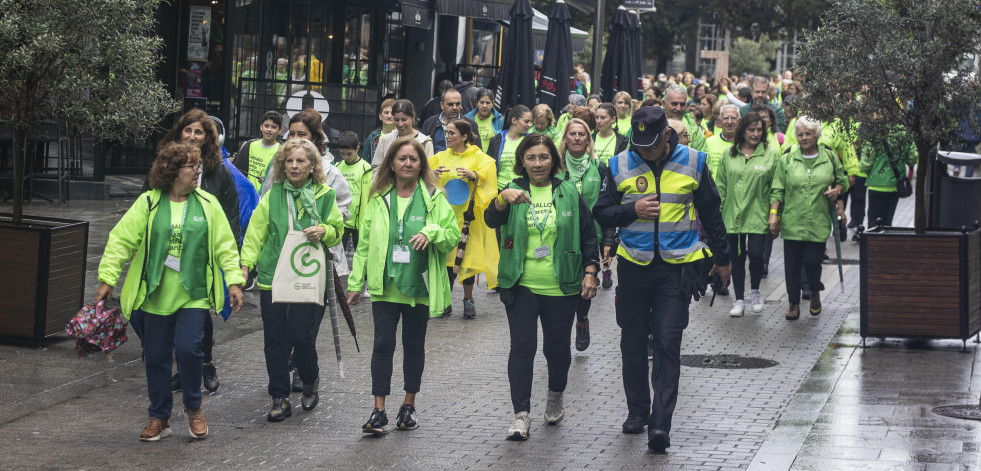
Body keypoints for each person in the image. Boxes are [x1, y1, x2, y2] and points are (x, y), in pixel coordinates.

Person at [593, 107, 730, 453]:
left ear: (667, 135)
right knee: (633, 342)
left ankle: (660, 425)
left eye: (651, 145)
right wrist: (631, 211)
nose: (645, 151)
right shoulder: (619, 163)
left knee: (668, 343)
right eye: (639, 145)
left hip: (676, 268)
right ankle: (637, 412)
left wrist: (724, 259)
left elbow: (711, 212)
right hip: (635, 267)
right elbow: (601, 211)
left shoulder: (695, 162)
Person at [96, 142, 245, 441]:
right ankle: (159, 417)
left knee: (190, 351)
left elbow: (225, 246)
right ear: (172, 171)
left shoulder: (207, 204)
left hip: (194, 294)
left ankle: (193, 407)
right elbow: (121, 241)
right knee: (156, 357)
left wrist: (233, 281)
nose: (198, 171)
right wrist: (107, 278)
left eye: (198, 165)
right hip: (153, 296)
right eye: (191, 166)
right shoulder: (149, 203)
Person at [485, 133, 600, 441]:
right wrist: (500, 199)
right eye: (531, 158)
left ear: (554, 159)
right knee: (522, 348)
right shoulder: (512, 191)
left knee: (557, 349)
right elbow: (488, 219)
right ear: (522, 161)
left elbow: (588, 234)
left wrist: (591, 271)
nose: (538, 164)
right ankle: (520, 415)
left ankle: (555, 395)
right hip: (520, 284)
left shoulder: (567, 192)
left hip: (561, 285)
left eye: (544, 157)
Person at [348, 137, 461, 434]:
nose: (408, 163)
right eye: (402, 158)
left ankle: (408, 406)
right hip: (385, 284)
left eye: (413, 159)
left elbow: (451, 236)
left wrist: (432, 230)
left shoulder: (435, 196)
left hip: (419, 285)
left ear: (421, 164)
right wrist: (355, 281)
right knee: (382, 344)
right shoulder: (378, 197)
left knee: (413, 346)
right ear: (392, 164)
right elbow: (364, 245)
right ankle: (379, 410)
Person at [240, 139, 345, 422]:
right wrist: (245, 265)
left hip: (308, 276)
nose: (294, 166)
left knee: (301, 335)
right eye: (289, 161)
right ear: (282, 166)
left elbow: (338, 230)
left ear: (312, 166)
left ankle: (310, 379)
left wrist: (324, 230)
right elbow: (255, 233)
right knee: (274, 339)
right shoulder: (272, 196)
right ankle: (279, 397)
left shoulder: (325, 195)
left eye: (300, 161)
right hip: (273, 276)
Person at [152, 109, 240, 394]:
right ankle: (182, 368)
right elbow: (144, 207)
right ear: (180, 132)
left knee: (199, 313)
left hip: (203, 255)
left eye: (198, 132)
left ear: (207, 138)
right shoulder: (163, 166)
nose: (192, 136)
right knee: (167, 312)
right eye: (188, 130)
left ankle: (205, 363)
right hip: (166, 254)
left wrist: (233, 266)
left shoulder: (218, 172)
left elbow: (230, 218)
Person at [771, 116, 848, 320]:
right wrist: (774, 215)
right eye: (800, 134)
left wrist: (837, 191)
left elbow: (843, 182)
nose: (804, 138)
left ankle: (815, 292)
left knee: (813, 262)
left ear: (817, 135)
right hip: (792, 221)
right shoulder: (787, 158)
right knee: (792, 266)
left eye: (808, 133)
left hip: (818, 220)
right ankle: (793, 304)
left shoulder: (829, 157)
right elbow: (777, 189)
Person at [430, 120, 500, 318]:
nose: (448, 136)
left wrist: (474, 175)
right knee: (446, 258)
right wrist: (432, 175)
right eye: (447, 132)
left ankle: (468, 299)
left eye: (452, 133)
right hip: (445, 216)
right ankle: (444, 300)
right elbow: (424, 174)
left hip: (468, 218)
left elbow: (489, 172)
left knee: (467, 258)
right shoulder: (440, 156)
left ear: (464, 136)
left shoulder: (477, 156)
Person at [556, 118, 614, 351]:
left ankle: (581, 320)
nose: (577, 138)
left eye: (582, 134)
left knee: (585, 285)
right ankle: (560, 327)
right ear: (566, 138)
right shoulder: (555, 166)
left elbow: (608, 207)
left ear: (588, 140)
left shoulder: (599, 168)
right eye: (573, 134)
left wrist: (609, 241)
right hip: (558, 236)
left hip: (590, 237)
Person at [716, 113, 781, 317]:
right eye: (751, 130)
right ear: (742, 130)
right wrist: (719, 213)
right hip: (732, 215)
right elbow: (721, 185)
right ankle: (739, 299)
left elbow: (776, 188)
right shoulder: (729, 154)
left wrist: (774, 214)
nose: (755, 134)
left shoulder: (770, 155)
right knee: (735, 257)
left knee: (755, 254)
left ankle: (755, 292)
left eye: (759, 130)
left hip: (758, 214)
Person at [860, 127, 918, 227]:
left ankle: (873, 242)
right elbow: (912, 158)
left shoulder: (874, 132)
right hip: (895, 184)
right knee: (887, 222)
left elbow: (866, 161)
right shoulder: (905, 133)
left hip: (876, 183)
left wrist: (866, 171)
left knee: (874, 224)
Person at [336, 131, 372, 251]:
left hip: (360, 223)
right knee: (338, 258)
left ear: (357, 149)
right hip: (341, 221)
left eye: (349, 154)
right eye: (342, 153)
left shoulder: (366, 168)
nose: (345, 157)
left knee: (361, 257)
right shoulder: (337, 167)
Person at [373, 100, 434, 169]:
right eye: (396, 120)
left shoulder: (425, 142)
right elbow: (376, 167)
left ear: (413, 117)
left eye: (404, 120)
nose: (400, 124)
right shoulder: (385, 140)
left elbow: (429, 171)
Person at [234, 110, 283, 193]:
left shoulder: (281, 150)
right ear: (261, 127)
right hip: (247, 195)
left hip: (268, 197)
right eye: (266, 126)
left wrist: (268, 180)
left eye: (274, 127)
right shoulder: (250, 145)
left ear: (280, 130)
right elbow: (237, 170)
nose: (269, 130)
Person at [420, 88, 482, 153]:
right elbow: (421, 150)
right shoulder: (430, 123)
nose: (454, 107)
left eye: (458, 104)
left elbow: (478, 152)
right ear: (442, 105)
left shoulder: (470, 124)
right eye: (450, 104)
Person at [488, 105, 533, 191]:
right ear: (514, 120)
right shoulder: (496, 140)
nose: (529, 125)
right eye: (526, 121)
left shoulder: (531, 140)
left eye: (530, 122)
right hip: (499, 190)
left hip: (523, 190)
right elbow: (488, 166)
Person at [663, 85, 708, 152]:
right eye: (674, 104)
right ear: (664, 104)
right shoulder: (654, 123)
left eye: (682, 104)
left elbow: (704, 159)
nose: (678, 108)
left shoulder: (695, 130)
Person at [465, 88, 504, 154]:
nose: (484, 106)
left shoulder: (499, 119)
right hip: (472, 158)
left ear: (493, 103)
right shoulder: (467, 119)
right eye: (481, 102)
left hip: (492, 159)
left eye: (488, 103)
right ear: (477, 103)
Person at [705, 105, 740, 176]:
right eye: (726, 118)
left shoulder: (745, 144)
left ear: (739, 121)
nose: (729, 122)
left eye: (733, 118)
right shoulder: (709, 142)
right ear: (720, 121)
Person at [360, 98, 397, 162]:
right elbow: (364, 163)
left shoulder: (403, 136)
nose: (389, 116)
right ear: (380, 116)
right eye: (386, 112)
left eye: (392, 113)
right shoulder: (372, 138)